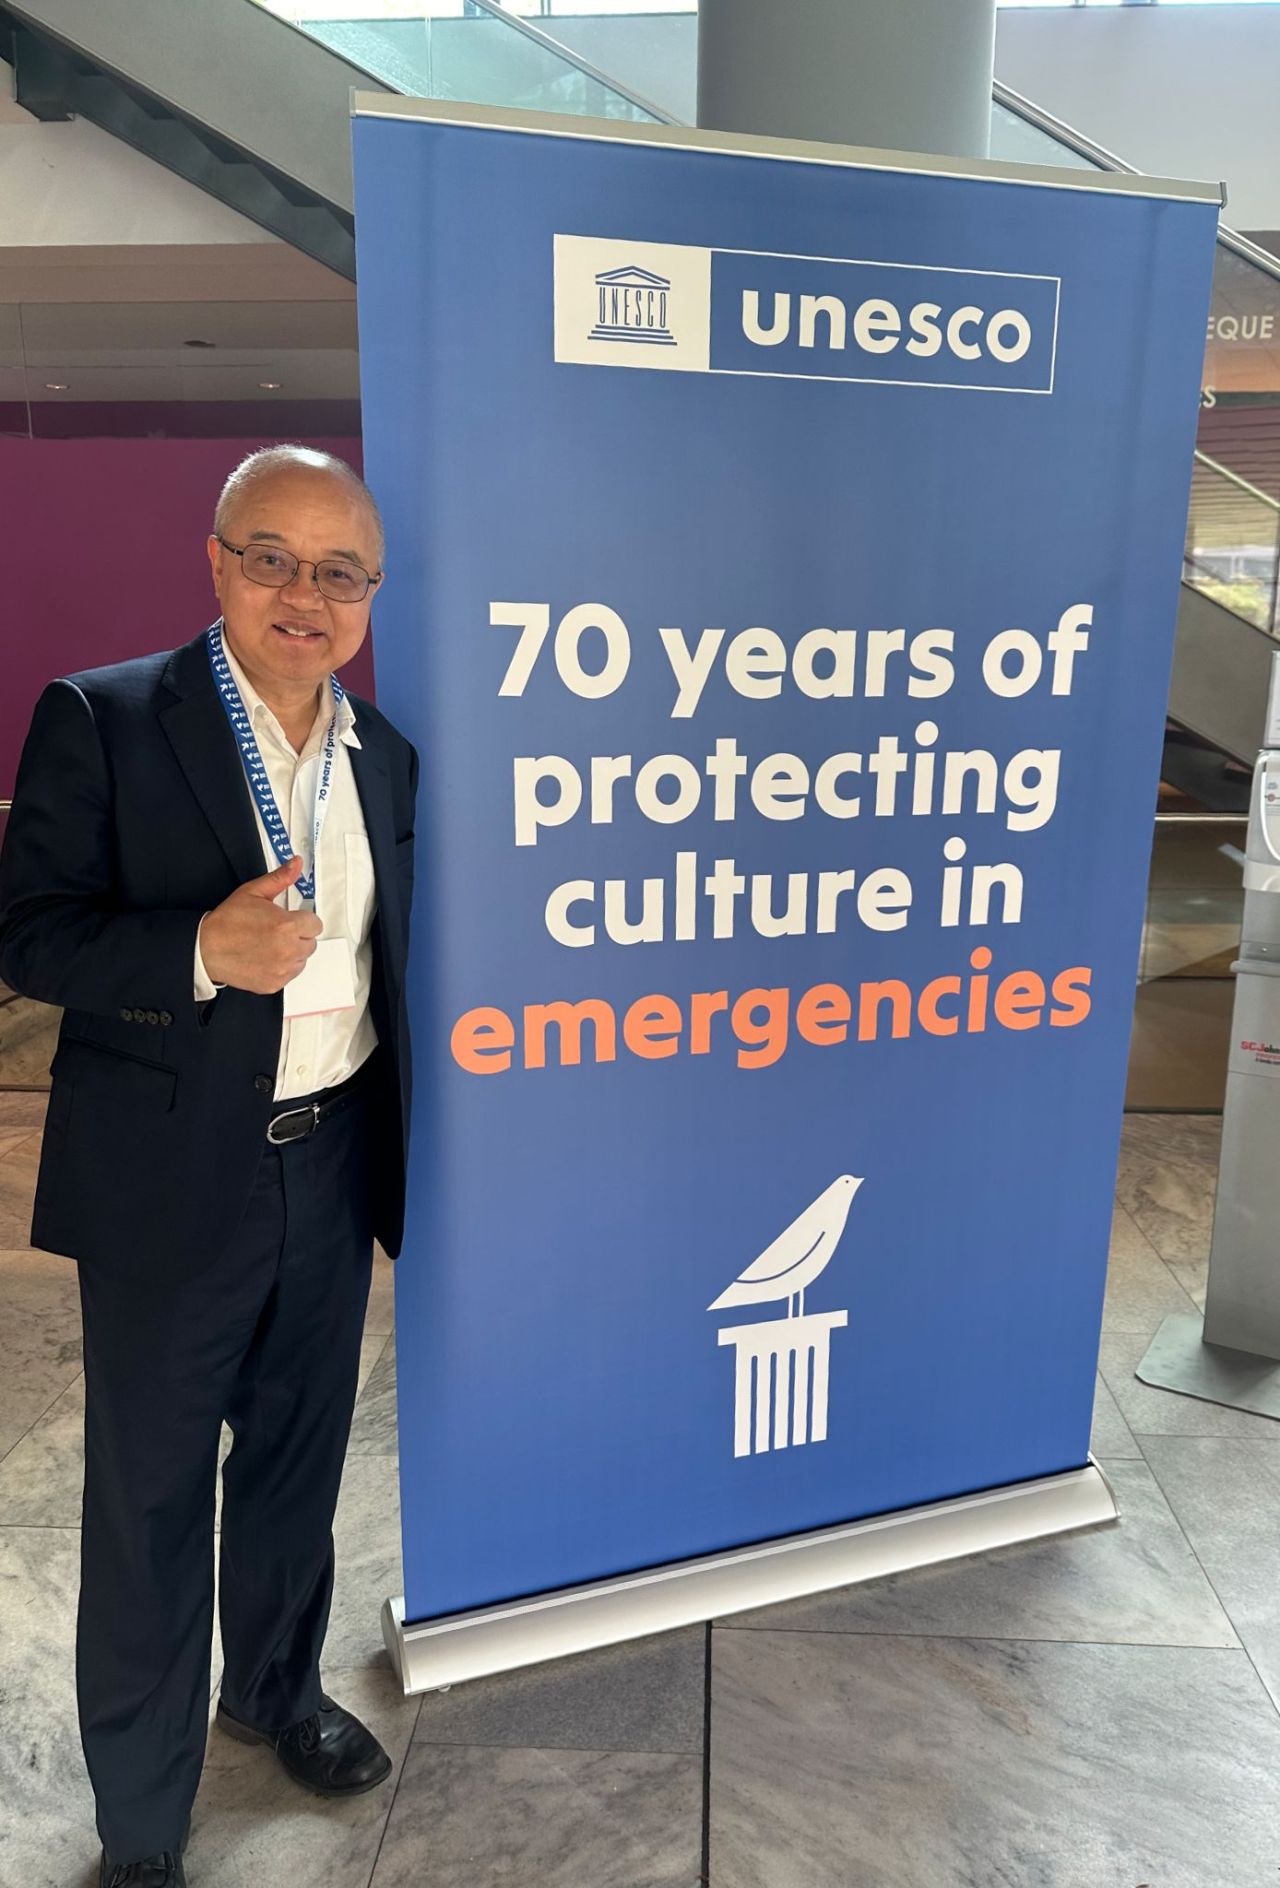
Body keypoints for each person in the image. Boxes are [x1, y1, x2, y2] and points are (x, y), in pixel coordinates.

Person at [0, 445, 417, 1888]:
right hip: (174, 1182)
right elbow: (29, 932)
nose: (306, 593)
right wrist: (191, 953)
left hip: (334, 1159)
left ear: (370, 595)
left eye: (339, 569)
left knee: (299, 1471)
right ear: (218, 561)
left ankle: (278, 1697)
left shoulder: (388, 757)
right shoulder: (106, 719)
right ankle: (138, 1818)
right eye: (273, 557)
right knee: (152, 1498)